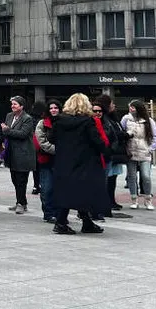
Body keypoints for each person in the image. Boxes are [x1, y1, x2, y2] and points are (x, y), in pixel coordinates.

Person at [50, 93, 110, 235]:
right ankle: (61, 222)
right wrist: (107, 149)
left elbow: (51, 138)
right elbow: (97, 141)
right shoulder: (87, 122)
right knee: (84, 191)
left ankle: (84, 222)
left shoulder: (59, 121)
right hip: (84, 162)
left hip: (64, 162)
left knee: (68, 191)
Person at [93, 94, 127, 214]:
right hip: (108, 153)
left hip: (113, 152)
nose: (114, 105)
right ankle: (107, 202)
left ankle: (111, 200)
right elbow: (113, 134)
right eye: (112, 103)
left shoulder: (112, 118)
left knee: (112, 178)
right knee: (108, 179)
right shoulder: (105, 119)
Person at [1, 96, 35, 215]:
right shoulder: (9, 116)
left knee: (21, 180)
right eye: (12, 104)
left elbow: (23, 134)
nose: (13, 106)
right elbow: (6, 133)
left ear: (21, 106)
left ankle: (21, 203)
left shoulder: (27, 118)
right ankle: (21, 202)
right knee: (14, 179)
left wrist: (7, 130)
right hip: (11, 152)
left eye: (15, 104)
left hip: (23, 153)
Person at [122, 100, 156, 211]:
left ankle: (148, 199)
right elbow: (121, 134)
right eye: (130, 107)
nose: (131, 109)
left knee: (146, 176)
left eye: (133, 107)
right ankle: (134, 199)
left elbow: (155, 136)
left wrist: (150, 149)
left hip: (144, 152)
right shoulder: (126, 119)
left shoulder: (149, 121)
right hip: (130, 152)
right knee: (131, 176)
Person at [34, 100, 60, 223]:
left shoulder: (64, 122)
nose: (53, 110)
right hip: (46, 160)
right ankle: (48, 213)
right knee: (47, 188)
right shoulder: (42, 123)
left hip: (61, 161)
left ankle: (59, 213)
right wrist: (59, 150)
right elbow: (42, 142)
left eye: (56, 108)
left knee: (59, 188)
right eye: (51, 108)